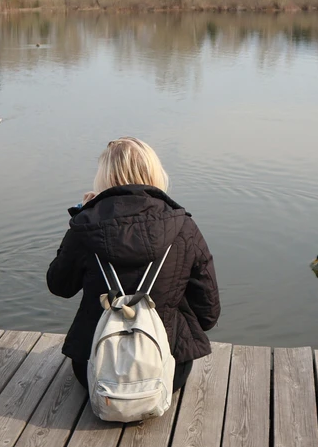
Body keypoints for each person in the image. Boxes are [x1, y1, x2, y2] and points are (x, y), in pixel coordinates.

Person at [47, 137, 220, 392]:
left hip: (94, 369)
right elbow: (208, 314)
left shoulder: (85, 226)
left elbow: (59, 286)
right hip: (166, 371)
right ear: (155, 173)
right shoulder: (184, 227)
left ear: (103, 178)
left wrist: (80, 217)